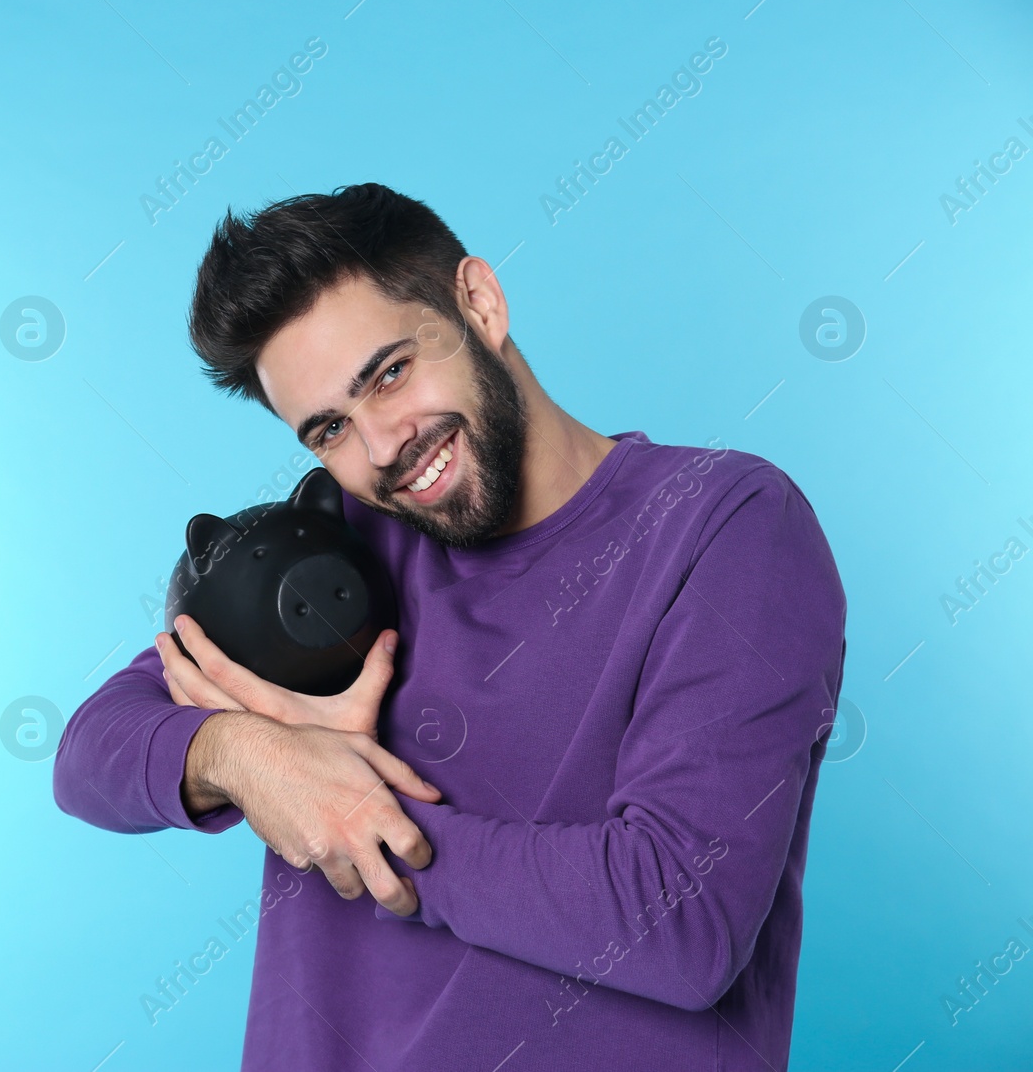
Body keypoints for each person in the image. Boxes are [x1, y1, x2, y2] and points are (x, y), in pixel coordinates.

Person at [52, 182, 847, 1071]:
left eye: (390, 373)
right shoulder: (334, 559)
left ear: (480, 302)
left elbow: (679, 920)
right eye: (329, 428)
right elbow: (90, 754)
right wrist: (248, 757)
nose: (383, 445)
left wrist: (352, 814)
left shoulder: (727, 527)